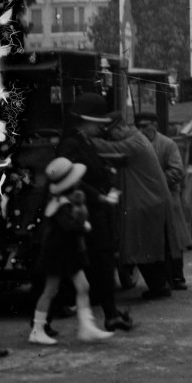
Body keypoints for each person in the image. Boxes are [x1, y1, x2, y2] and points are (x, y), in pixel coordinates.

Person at [55, 92, 132, 333]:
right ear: (85, 121)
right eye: (98, 123)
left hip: (93, 210)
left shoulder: (83, 141)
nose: (101, 128)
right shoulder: (71, 144)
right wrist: (99, 195)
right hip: (83, 212)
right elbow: (70, 177)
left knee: (101, 262)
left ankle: (110, 314)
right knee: (93, 262)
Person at [28, 158, 114, 345]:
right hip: (58, 254)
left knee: (83, 287)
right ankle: (37, 330)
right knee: (50, 290)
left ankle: (86, 327)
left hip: (66, 252)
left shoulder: (61, 201)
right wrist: (84, 226)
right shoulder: (62, 205)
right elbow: (68, 227)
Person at [93, 115, 175, 300]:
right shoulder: (137, 139)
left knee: (142, 247)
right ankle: (161, 285)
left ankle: (160, 286)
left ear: (120, 128)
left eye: (111, 133)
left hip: (146, 202)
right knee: (148, 247)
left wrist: (86, 141)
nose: (111, 137)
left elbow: (113, 150)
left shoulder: (135, 142)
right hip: (148, 201)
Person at [136, 111, 190, 289]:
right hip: (147, 199)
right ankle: (164, 279)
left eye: (144, 126)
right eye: (138, 127)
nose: (141, 130)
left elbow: (177, 171)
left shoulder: (168, 144)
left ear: (155, 126)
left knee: (172, 238)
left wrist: (153, 183)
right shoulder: (137, 144)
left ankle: (177, 277)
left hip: (168, 198)